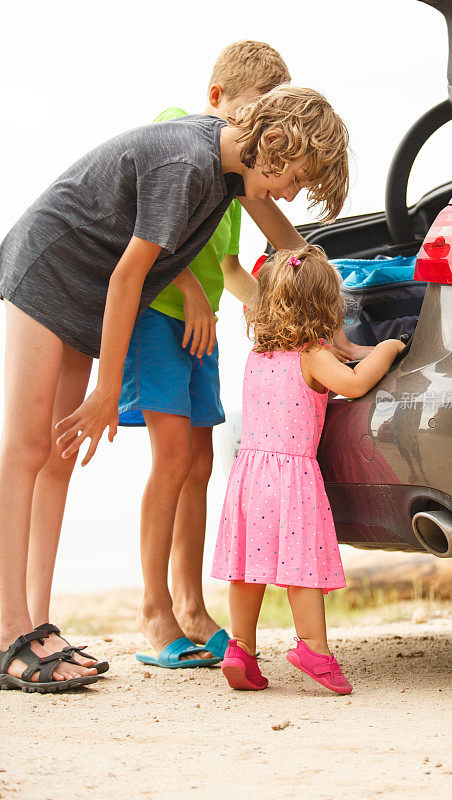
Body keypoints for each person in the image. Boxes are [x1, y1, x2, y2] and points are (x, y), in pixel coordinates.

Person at [0, 84, 350, 692]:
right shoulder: (188, 165)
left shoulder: (234, 171)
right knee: (27, 449)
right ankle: (8, 632)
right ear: (271, 142)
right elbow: (128, 278)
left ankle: (37, 626)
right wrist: (109, 388)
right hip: (52, 267)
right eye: (295, 176)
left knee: (57, 458)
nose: (291, 192)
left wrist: (337, 331)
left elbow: (292, 246)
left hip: (86, 291)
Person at [118, 41, 294, 669]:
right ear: (216, 97)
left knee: (199, 462)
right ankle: (153, 607)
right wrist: (190, 292)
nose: (251, 131)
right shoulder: (177, 127)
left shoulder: (230, 179)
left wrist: (261, 299)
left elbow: (226, 262)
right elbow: (151, 233)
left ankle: (192, 605)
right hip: (157, 316)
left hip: (200, 329)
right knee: (170, 459)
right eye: (247, 113)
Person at [212, 245, 405, 695]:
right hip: (292, 478)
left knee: (248, 568)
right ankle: (313, 648)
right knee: (301, 568)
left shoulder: (260, 353)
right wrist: (392, 347)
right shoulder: (312, 355)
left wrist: (351, 349)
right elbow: (355, 383)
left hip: (249, 475)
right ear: (325, 307)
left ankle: (240, 647)